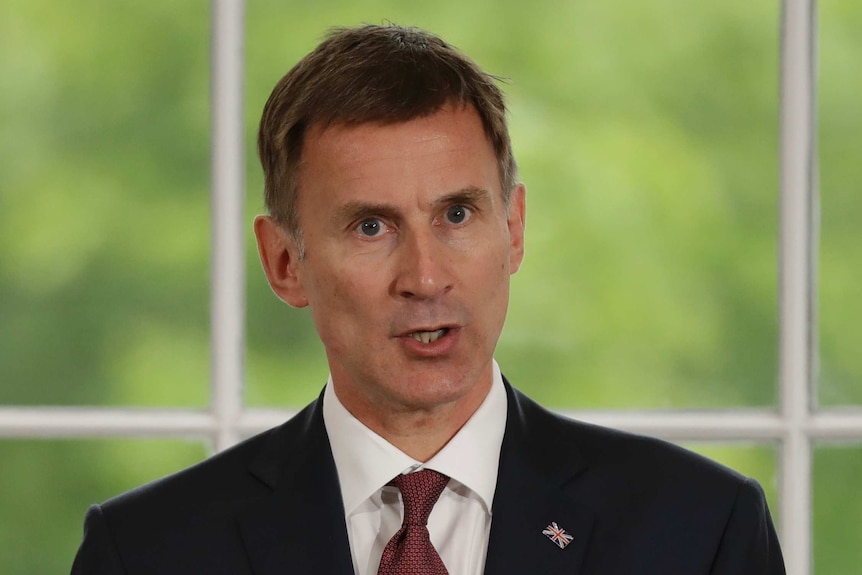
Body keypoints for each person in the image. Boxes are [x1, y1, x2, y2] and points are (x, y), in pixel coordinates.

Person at [71, 24, 785, 574]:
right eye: (371, 225)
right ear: (285, 262)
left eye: (457, 215)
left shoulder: (699, 530)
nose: (425, 275)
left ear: (513, 229)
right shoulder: (146, 551)